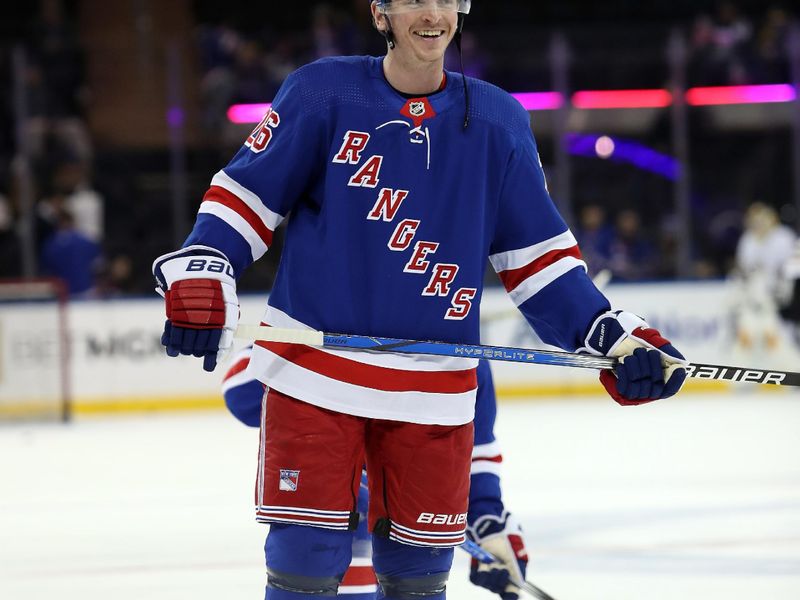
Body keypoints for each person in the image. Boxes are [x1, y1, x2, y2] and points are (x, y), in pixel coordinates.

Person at [152, 1, 687, 597]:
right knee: (305, 563)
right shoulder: (321, 93)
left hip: (434, 394)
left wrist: (611, 334)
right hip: (313, 379)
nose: (429, 13)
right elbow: (246, 198)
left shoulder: (498, 121)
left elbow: (541, 263)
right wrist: (206, 264)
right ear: (380, 12)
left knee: (419, 581)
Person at [223, 353, 528, 599]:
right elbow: (239, 389)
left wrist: (488, 524)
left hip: (398, 506)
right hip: (333, 498)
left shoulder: (463, 353)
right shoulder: (333, 315)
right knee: (337, 521)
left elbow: (474, 449)